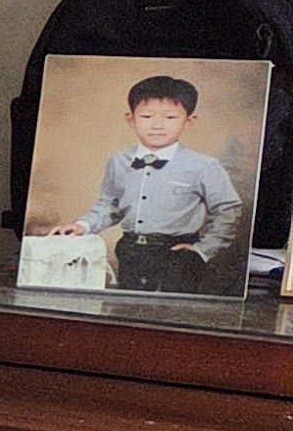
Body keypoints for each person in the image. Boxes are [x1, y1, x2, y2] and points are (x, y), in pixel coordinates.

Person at [42, 73, 246, 295]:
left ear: (188, 122)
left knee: (171, 311)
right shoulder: (119, 161)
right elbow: (109, 205)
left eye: (170, 117)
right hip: (130, 251)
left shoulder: (204, 166)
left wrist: (202, 250)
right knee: (127, 309)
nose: (158, 125)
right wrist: (83, 225)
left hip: (178, 255)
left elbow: (228, 210)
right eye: (147, 116)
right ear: (131, 120)